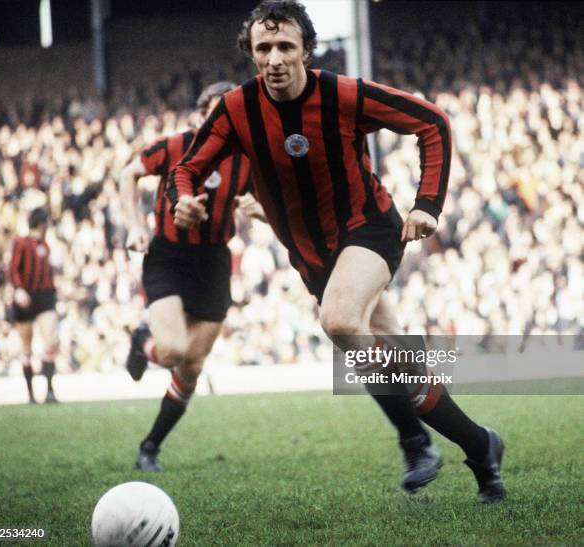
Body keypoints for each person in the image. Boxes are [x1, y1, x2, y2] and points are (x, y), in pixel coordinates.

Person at [169, 0, 505, 503]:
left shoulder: (343, 94)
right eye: (264, 48)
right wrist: (183, 202)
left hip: (369, 228)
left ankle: (422, 442)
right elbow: (186, 168)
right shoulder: (237, 110)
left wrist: (427, 203)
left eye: (286, 46)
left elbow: (432, 122)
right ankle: (481, 451)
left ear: (306, 49)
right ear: (252, 54)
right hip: (312, 257)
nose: (275, 57)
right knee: (385, 356)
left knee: (342, 322)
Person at [119, 81, 265, 472]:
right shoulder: (174, 145)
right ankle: (142, 345)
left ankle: (150, 446)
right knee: (171, 351)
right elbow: (127, 174)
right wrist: (133, 226)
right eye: (216, 115)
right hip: (168, 256)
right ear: (201, 116)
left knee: (192, 367)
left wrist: (260, 210)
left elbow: (275, 207)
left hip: (213, 261)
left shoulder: (249, 159)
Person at [9, 207, 59, 404]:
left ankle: (49, 390)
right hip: (25, 298)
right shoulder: (21, 242)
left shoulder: (45, 245)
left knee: (51, 340)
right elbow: (13, 268)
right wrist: (18, 289)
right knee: (26, 346)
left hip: (45, 297)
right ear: (41, 223)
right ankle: (30, 393)